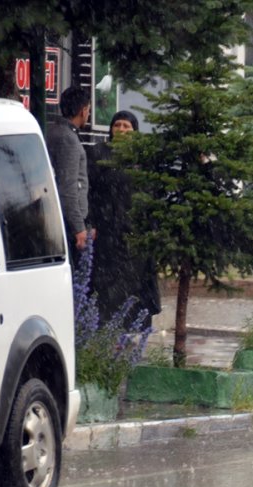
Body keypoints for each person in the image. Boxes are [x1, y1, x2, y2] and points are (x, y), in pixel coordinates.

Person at [86, 111, 161, 328]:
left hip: (135, 234)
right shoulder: (98, 154)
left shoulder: (143, 159)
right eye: (117, 125)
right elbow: (90, 192)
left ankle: (133, 327)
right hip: (107, 233)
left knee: (134, 285)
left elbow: (151, 193)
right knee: (107, 288)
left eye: (126, 126)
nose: (121, 130)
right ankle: (106, 330)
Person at [46, 86, 92, 260]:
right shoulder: (68, 139)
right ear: (83, 110)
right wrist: (78, 227)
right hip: (67, 223)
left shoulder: (53, 130)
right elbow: (68, 188)